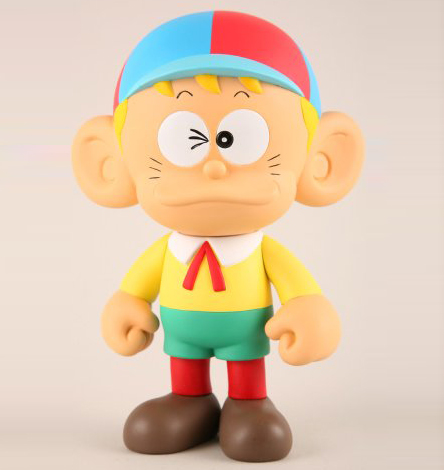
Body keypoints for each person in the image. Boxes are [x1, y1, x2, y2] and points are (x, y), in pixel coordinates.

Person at [72, 10, 364, 462]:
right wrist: (126, 303)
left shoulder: (262, 251)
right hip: (183, 331)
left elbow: (301, 292)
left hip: (243, 332)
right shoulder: (168, 250)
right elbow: (134, 288)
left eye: (240, 138)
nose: (213, 166)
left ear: (323, 160)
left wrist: (310, 312)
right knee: (185, 366)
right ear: (110, 164)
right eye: (184, 140)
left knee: (247, 379)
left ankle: (249, 403)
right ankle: (189, 399)